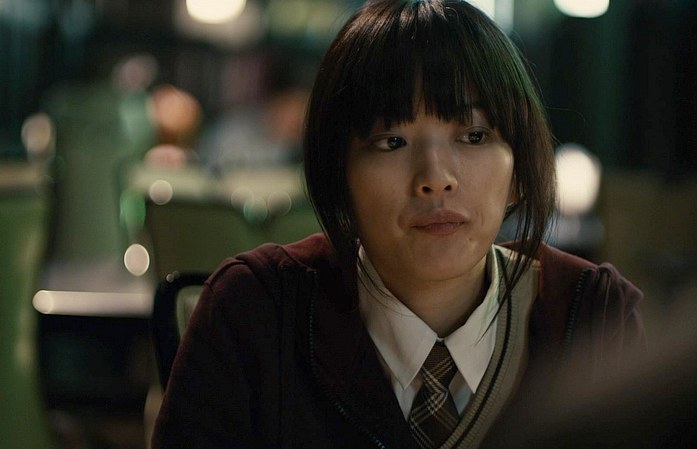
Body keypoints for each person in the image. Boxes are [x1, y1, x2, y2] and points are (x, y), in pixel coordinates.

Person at [152, 1, 646, 448]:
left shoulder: (590, 318)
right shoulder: (256, 317)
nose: (436, 178)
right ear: (338, 175)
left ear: (518, 171)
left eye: (474, 136)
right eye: (392, 142)